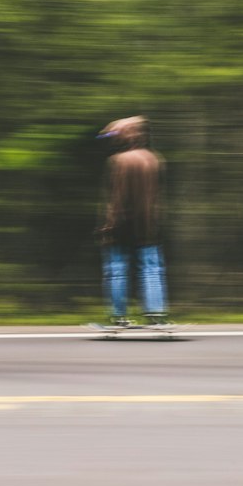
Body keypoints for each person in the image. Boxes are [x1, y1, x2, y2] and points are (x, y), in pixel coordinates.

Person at [96, 115, 170, 327]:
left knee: (117, 270)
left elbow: (116, 198)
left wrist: (108, 225)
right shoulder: (154, 159)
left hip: (121, 226)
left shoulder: (118, 161)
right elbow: (157, 197)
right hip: (148, 226)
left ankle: (119, 316)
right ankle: (156, 315)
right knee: (151, 270)